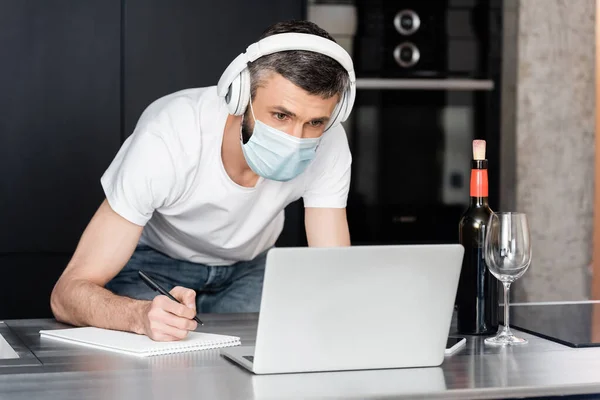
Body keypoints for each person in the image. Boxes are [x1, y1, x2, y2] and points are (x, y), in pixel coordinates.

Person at [50, 20, 355, 342]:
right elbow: (66, 295)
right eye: (281, 115)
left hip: (252, 269)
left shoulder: (330, 144)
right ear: (239, 96)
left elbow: (335, 274)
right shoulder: (169, 135)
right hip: (154, 268)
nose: (296, 139)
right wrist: (137, 316)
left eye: (315, 122)